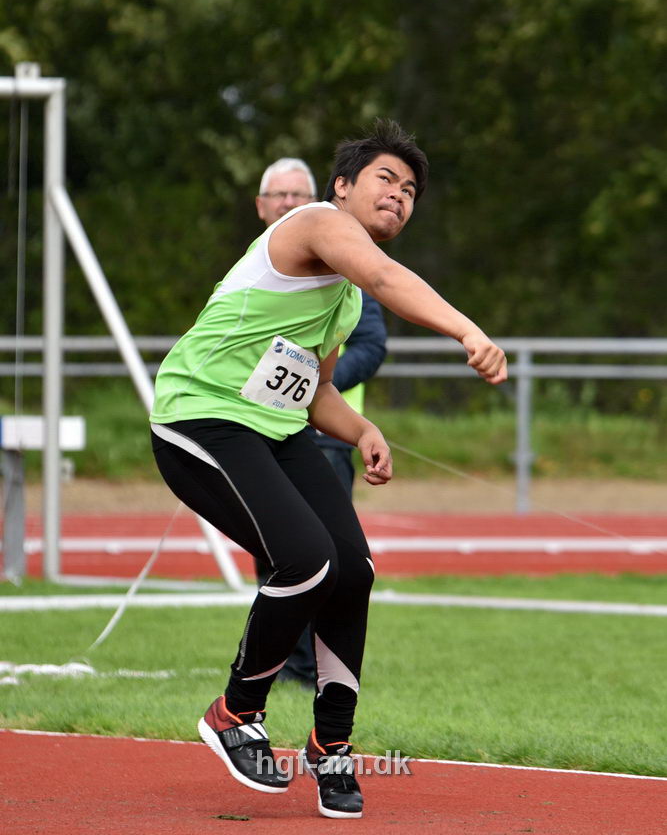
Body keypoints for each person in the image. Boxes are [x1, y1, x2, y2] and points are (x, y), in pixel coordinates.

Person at [149, 120, 507, 819]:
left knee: (352, 569)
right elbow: (384, 273)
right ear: (340, 187)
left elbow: (311, 391)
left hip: (274, 430)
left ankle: (330, 746)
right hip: (200, 418)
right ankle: (234, 712)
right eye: (385, 181)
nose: (399, 198)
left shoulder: (343, 299)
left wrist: (363, 427)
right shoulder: (315, 224)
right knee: (305, 560)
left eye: (410, 192)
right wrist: (467, 329)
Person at [254, 157, 387, 685]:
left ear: (321, 200)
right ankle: (278, 661)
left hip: (324, 437)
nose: (289, 204)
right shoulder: (256, 267)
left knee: (331, 553)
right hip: (255, 430)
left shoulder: (351, 268)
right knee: (274, 546)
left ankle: (314, 669)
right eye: (279, 196)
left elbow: (372, 344)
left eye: (297, 195)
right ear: (261, 207)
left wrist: (313, 386)